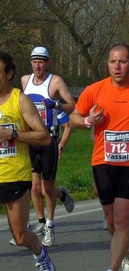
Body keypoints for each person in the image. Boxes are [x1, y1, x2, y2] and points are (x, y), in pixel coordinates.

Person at [70, 43, 129, 271]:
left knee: (123, 221)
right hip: (103, 161)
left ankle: (112, 268)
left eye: (122, 61)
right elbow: (73, 117)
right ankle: (128, 249)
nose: (117, 66)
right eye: (113, 61)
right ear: (108, 64)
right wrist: (88, 121)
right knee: (111, 222)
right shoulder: (95, 90)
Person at [0, 50, 55, 270]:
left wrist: (13, 134)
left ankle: (41, 255)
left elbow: (44, 136)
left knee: (21, 236)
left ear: (10, 73)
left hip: (14, 175)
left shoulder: (19, 100)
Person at [21, 46, 76, 247]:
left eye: (41, 61)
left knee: (47, 186)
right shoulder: (25, 81)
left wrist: (57, 105)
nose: (37, 65)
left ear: (48, 63)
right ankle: (42, 223)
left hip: (49, 140)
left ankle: (51, 226)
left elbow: (72, 104)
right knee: (34, 186)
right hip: (31, 139)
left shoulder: (55, 81)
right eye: (34, 61)